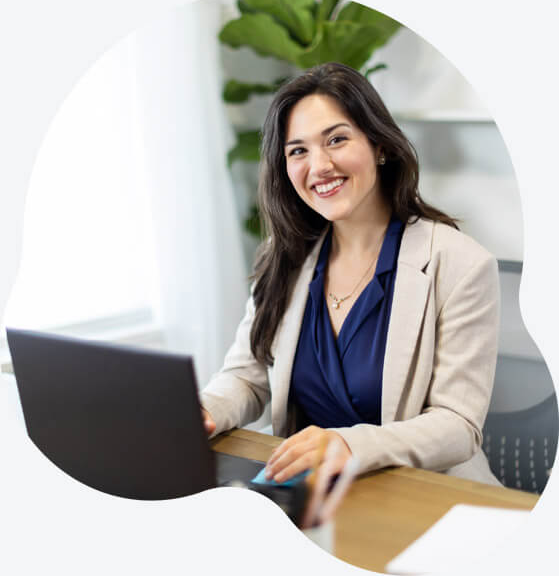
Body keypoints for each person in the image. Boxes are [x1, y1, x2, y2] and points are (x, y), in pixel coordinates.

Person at [201, 62, 501, 487]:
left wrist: (352, 446)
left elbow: (458, 425)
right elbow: (246, 379)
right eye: (298, 150)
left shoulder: (460, 264)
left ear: (379, 145)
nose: (319, 166)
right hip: (309, 491)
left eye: (336, 140)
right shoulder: (284, 255)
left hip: (424, 491)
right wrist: (208, 410)